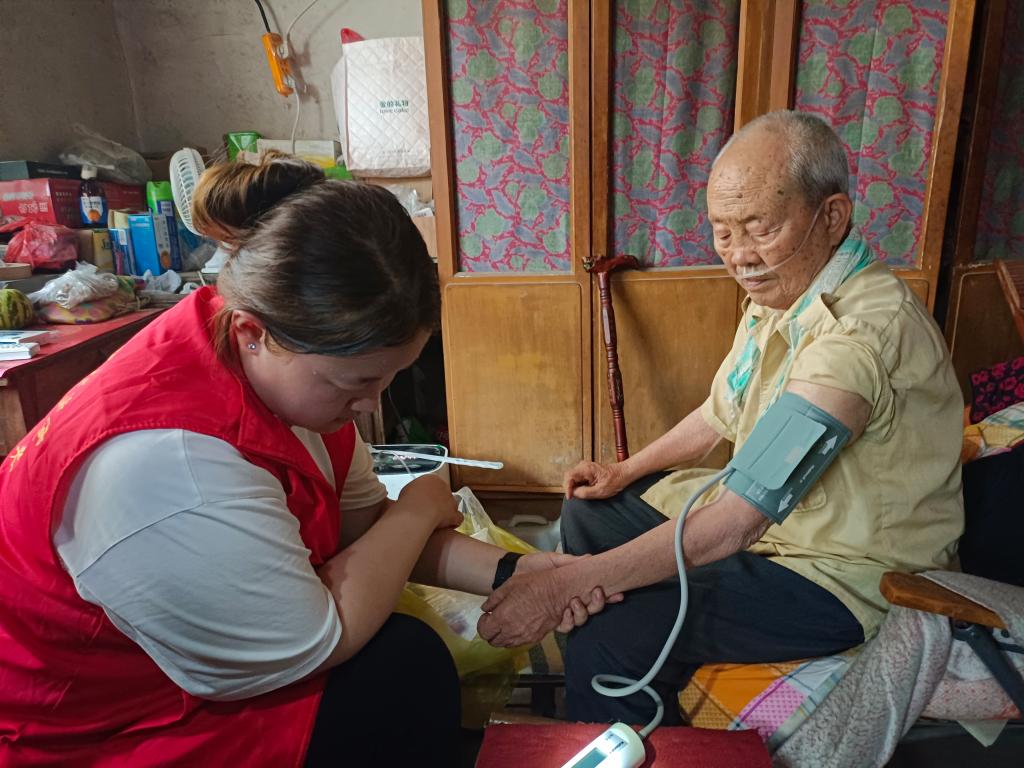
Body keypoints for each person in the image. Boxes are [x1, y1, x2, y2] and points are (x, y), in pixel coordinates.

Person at [0, 155, 614, 766]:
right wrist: (418, 508)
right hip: (97, 728)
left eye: (389, 377)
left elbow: (364, 530)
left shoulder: (270, 365)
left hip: (184, 671)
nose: (371, 403)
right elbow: (317, 640)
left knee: (404, 660)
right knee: (401, 670)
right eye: (356, 382)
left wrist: (522, 572)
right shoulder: (170, 468)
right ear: (252, 334)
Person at [477, 110, 965, 726]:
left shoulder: (857, 337)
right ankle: (640, 646)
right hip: (778, 536)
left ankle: (636, 712)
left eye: (761, 228)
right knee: (590, 511)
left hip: (844, 573)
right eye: (723, 232)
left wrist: (566, 586)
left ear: (832, 216)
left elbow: (737, 521)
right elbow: (719, 412)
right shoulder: (782, 296)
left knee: (611, 637)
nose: (740, 256)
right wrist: (625, 471)